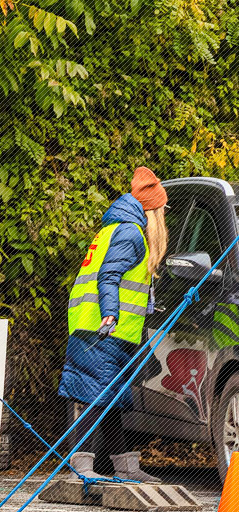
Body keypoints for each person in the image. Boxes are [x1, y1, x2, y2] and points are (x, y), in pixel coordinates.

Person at [59, 167, 168, 483]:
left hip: (99, 327)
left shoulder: (115, 229)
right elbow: (109, 275)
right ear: (152, 211)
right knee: (97, 396)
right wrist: (110, 313)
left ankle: (125, 467)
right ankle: (81, 467)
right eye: (162, 210)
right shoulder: (131, 233)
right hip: (104, 328)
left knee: (109, 398)